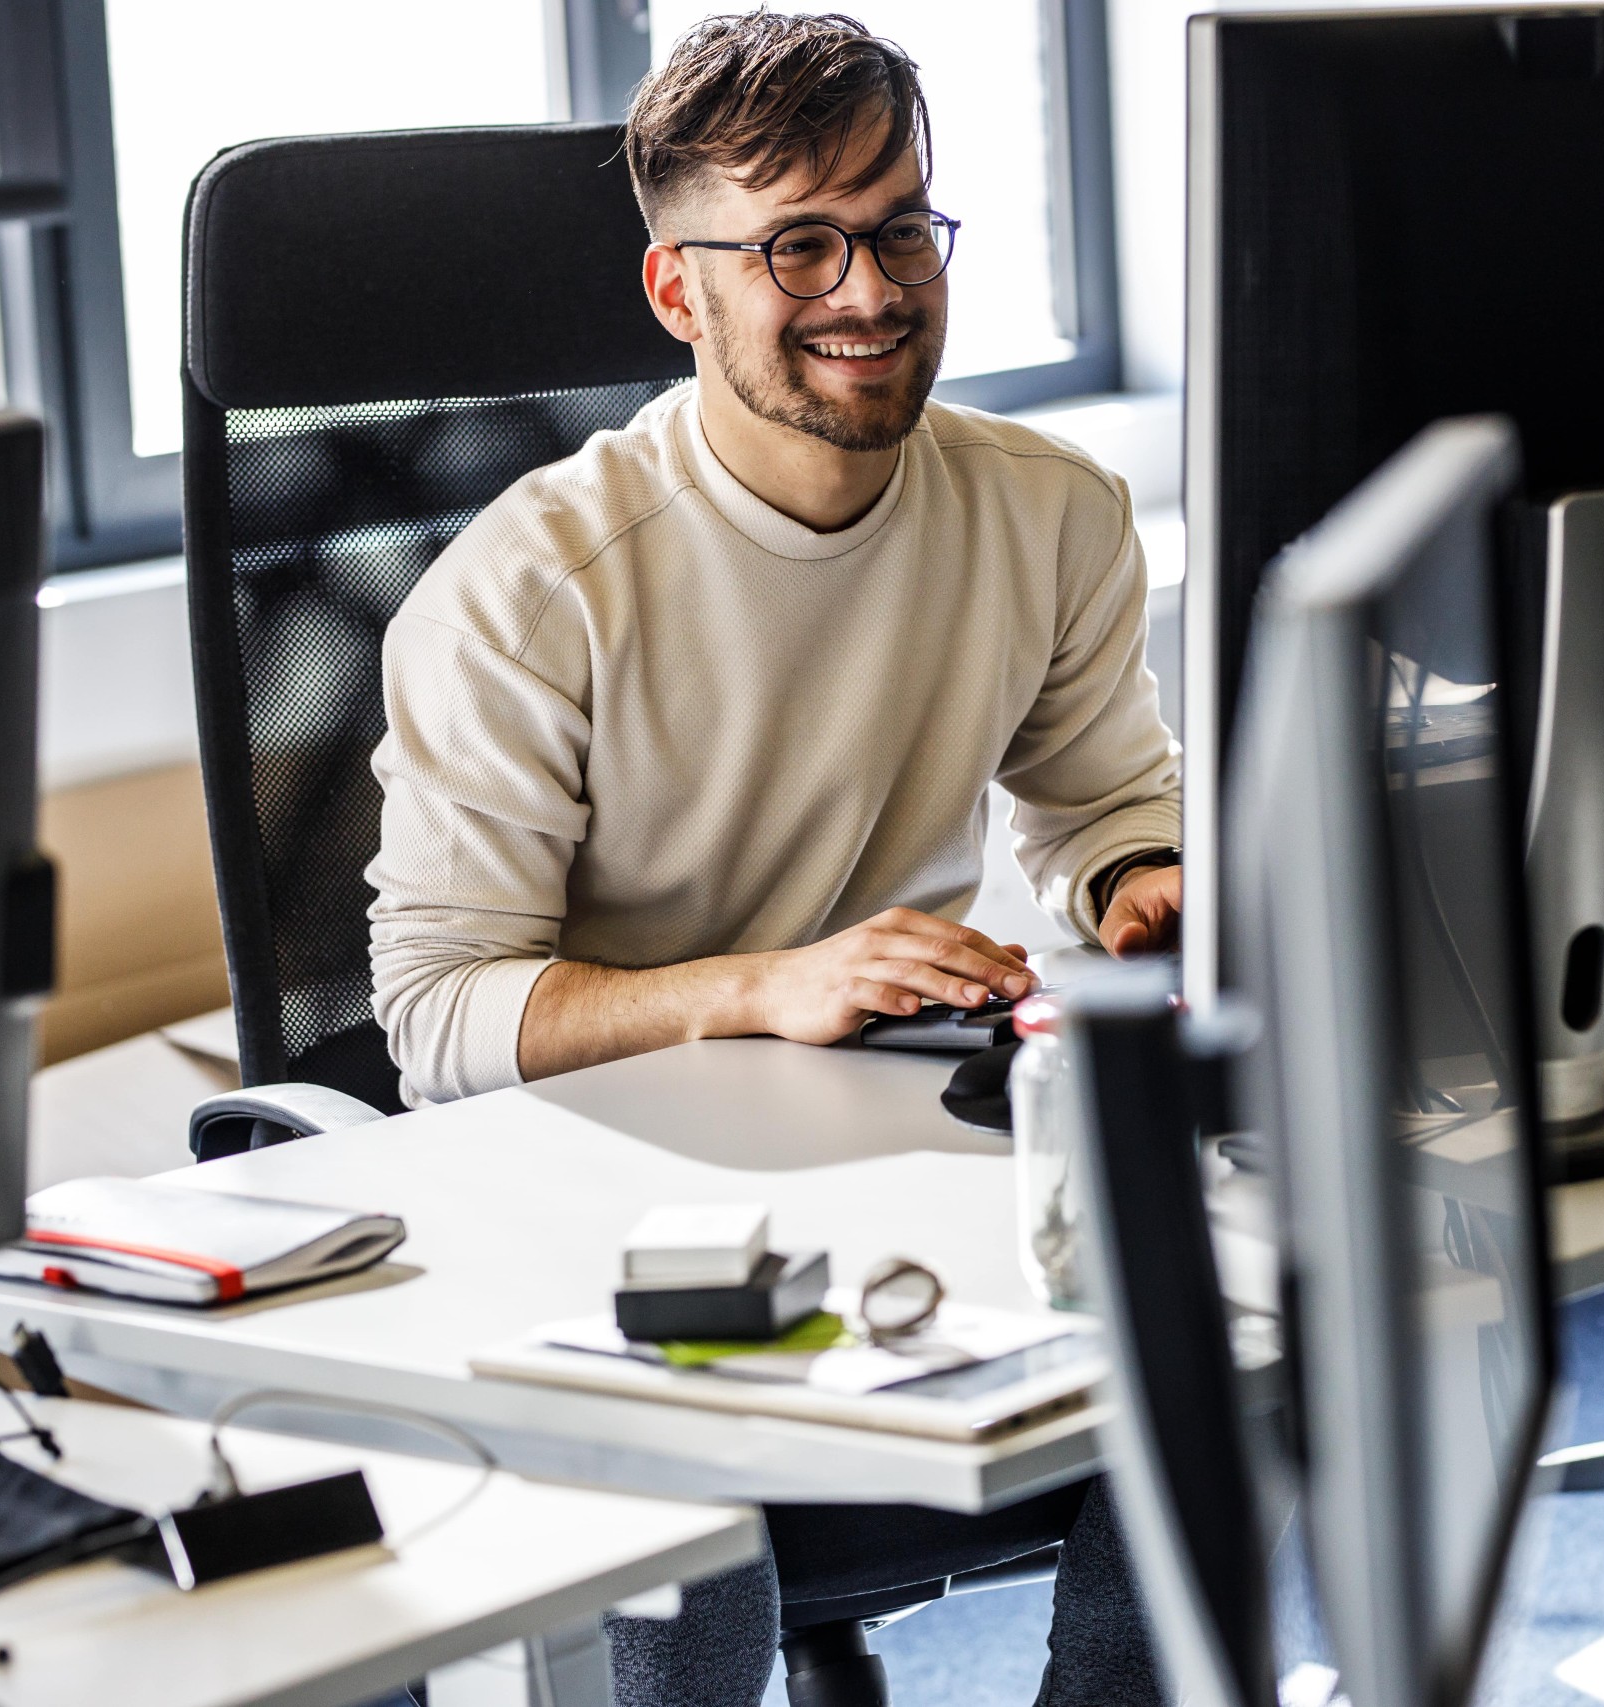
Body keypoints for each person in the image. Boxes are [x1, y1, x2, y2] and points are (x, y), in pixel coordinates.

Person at [364, 12, 1179, 1705]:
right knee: (695, 1493)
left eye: (897, 229)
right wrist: (762, 990)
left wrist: (1136, 885)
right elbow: (437, 1015)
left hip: (900, 1165)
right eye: (797, 244)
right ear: (682, 293)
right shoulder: (536, 592)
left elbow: (1098, 798)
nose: (868, 291)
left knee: (1231, 1344)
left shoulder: (1053, 513)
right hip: (600, 1223)